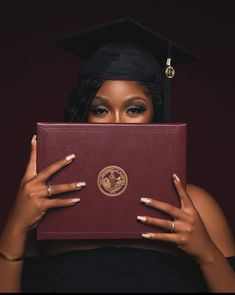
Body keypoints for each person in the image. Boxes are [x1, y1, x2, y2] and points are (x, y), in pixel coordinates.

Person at [0, 18, 235, 293]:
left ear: (155, 115)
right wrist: (16, 226)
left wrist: (205, 252)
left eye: (134, 109)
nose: (117, 122)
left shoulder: (195, 206)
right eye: (100, 110)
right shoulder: (48, 206)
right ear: (83, 116)